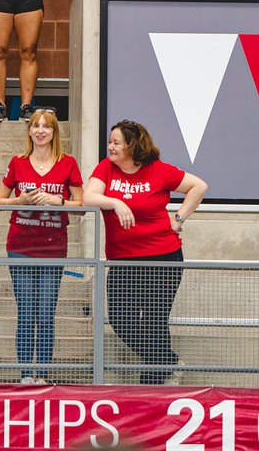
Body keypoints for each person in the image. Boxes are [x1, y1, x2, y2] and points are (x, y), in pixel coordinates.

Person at [83, 120, 208, 385]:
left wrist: (179, 219)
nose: (111, 147)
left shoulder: (158, 170)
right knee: (120, 319)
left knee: (154, 319)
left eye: (116, 142)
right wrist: (115, 202)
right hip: (123, 259)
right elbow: (88, 197)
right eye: (110, 141)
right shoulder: (107, 168)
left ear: (132, 145)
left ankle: (156, 375)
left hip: (163, 256)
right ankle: (168, 362)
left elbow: (199, 186)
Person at [0, 109, 83, 385]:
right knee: (26, 312)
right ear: (30, 131)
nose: (41, 131)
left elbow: (82, 206)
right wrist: (19, 202)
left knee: (45, 313)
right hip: (20, 245)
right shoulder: (18, 162)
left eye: (47, 127)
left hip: (53, 247)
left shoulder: (68, 163)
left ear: (55, 132)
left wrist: (59, 202)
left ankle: (43, 374)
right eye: (36, 126)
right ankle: (25, 374)